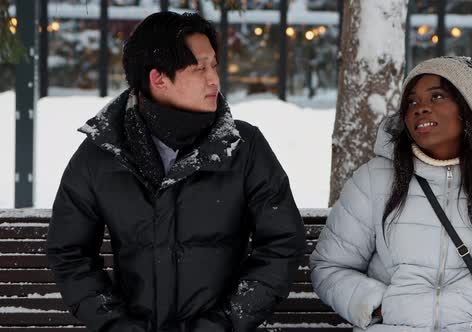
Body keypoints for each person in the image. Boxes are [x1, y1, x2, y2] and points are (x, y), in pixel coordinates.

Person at [46, 11, 306, 332]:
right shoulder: (103, 152)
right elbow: (69, 252)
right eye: (199, 68)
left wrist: (224, 323)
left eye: (214, 66)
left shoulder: (244, 147)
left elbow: (282, 242)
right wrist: (116, 324)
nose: (214, 79)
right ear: (158, 79)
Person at [310, 56, 472, 332]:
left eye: (437, 97)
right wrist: (378, 306)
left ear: (466, 108)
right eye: (411, 102)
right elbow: (330, 266)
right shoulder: (373, 180)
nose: (421, 109)